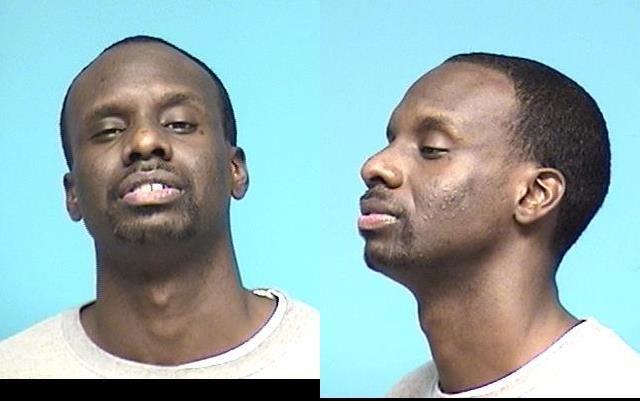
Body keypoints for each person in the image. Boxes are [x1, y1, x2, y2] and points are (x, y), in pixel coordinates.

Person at [0, 35, 319, 378]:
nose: (144, 141)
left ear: (235, 170)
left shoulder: (316, 356)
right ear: (72, 193)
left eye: (179, 123)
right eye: (109, 130)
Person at [357, 52, 640, 397]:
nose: (375, 166)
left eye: (431, 149)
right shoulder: (406, 391)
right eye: (391, 142)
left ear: (534, 195)